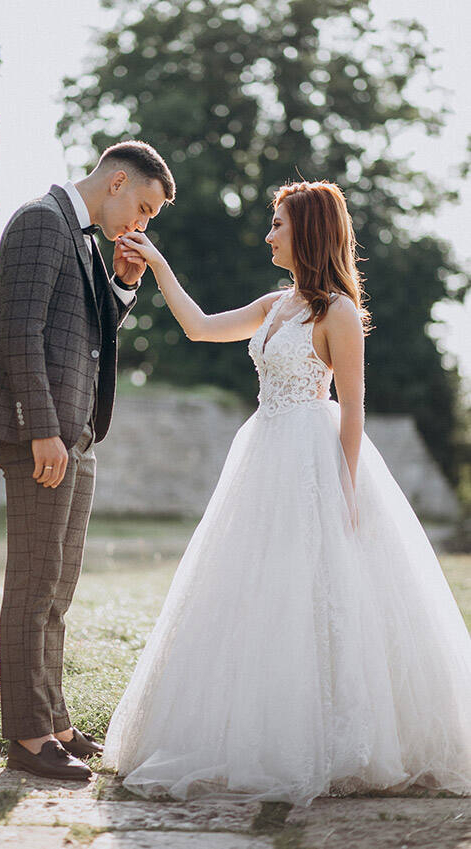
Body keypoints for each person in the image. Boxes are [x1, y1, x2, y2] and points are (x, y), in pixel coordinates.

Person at [102, 180, 471, 807]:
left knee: (324, 590)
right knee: (258, 589)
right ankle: (257, 731)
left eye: (278, 224)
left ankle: (336, 738)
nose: (269, 234)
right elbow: (199, 328)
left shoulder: (338, 313)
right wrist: (158, 265)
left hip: (313, 456)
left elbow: (352, 409)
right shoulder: (274, 306)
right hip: (264, 451)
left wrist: (346, 489)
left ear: (308, 231)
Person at [0, 141, 175, 780]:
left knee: (57, 585)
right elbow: (19, 334)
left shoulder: (80, 237)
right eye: (143, 207)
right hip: (42, 433)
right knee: (33, 583)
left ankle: (53, 721)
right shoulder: (40, 221)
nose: (141, 223)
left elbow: (89, 332)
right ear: (117, 181)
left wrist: (125, 283)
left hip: (75, 432)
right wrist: (41, 431)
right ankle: (28, 739)